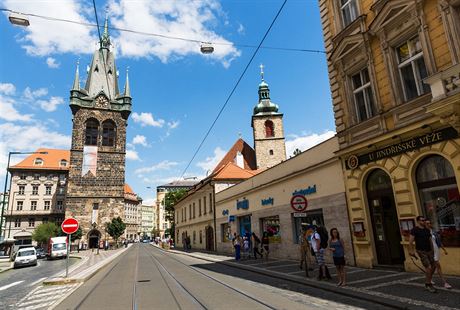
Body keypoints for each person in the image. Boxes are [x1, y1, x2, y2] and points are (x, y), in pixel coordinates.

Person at [409, 216, 437, 293]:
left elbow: (430, 240)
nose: (424, 221)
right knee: (428, 267)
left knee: (434, 266)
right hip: (421, 250)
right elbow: (411, 241)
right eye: (422, 220)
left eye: (424, 220)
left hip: (429, 250)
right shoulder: (414, 230)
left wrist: (433, 250)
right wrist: (411, 251)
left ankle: (428, 280)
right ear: (418, 221)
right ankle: (428, 284)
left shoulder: (426, 230)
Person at [426, 220, 452, 289]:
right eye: (427, 223)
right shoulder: (424, 233)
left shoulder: (433, 231)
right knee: (438, 265)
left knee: (434, 267)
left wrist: (444, 250)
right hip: (430, 252)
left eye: (429, 223)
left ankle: (429, 279)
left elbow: (439, 242)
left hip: (436, 250)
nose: (429, 224)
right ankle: (445, 282)